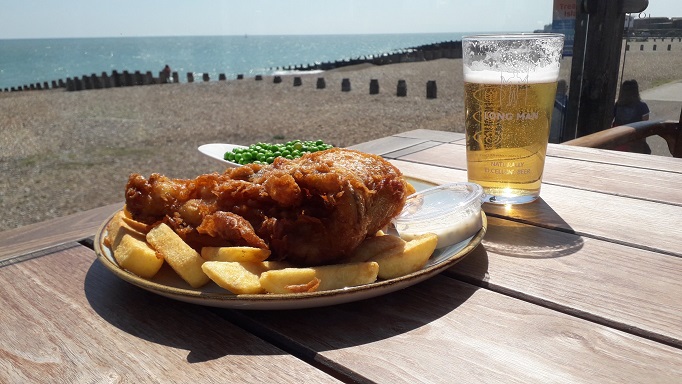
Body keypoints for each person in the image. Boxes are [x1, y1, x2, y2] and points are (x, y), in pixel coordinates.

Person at [612, 79, 651, 154]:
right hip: (633, 137)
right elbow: (645, 126)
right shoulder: (642, 106)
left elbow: (611, 119)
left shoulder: (618, 105)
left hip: (618, 137)